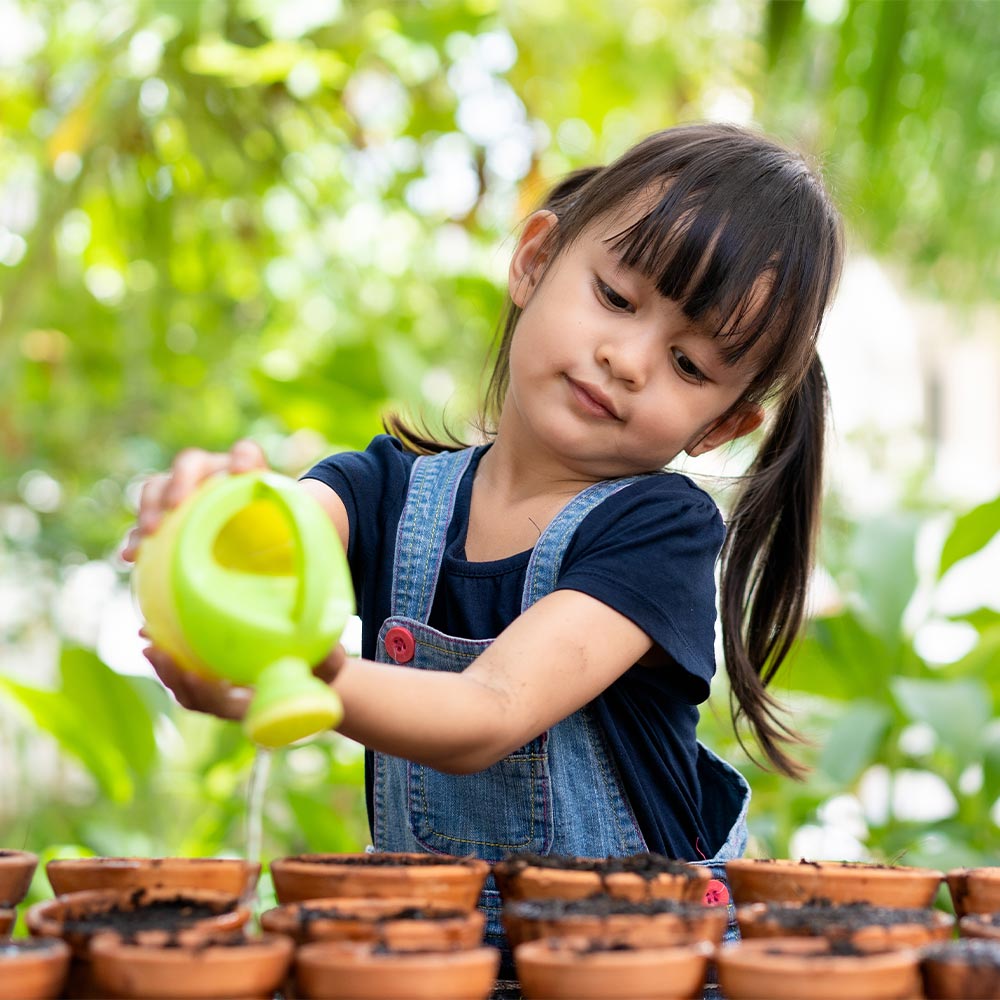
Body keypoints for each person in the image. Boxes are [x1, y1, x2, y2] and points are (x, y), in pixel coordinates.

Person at [123, 122, 843, 954]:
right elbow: (283, 525)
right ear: (535, 259)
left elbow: (489, 711)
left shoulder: (657, 532)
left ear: (723, 424)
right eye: (616, 298)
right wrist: (205, 509)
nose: (628, 359)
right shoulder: (385, 491)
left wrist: (303, 675)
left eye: (689, 365)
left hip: (627, 966)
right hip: (441, 955)